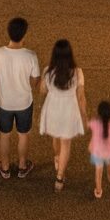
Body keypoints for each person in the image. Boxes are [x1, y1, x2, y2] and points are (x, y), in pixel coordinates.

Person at [0, 17, 40, 179]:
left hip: (4, 102)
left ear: (8, 32)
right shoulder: (31, 55)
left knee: (5, 135)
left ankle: (4, 167)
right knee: (23, 134)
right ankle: (22, 166)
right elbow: (35, 80)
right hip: (24, 102)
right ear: (24, 35)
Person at [39, 38, 87, 192]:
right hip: (69, 110)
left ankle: (57, 158)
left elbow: (42, 91)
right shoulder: (77, 73)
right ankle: (60, 178)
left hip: (53, 108)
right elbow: (80, 97)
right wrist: (84, 116)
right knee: (66, 144)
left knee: (55, 137)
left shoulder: (48, 71)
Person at [88, 100, 110, 200]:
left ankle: (98, 190)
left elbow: (86, 124)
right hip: (109, 151)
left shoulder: (94, 123)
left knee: (98, 172)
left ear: (99, 113)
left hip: (97, 153)